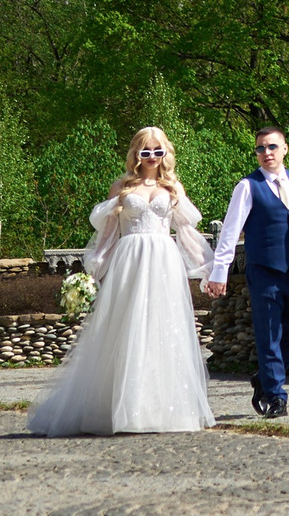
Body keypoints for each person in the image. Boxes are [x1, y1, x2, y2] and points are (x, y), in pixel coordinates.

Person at [27, 127, 215, 437]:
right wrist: (94, 270)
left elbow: (186, 234)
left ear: (166, 153)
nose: (152, 157)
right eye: (145, 151)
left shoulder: (173, 187)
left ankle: (158, 409)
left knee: (161, 329)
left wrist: (209, 269)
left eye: (158, 151)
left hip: (163, 261)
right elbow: (107, 234)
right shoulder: (122, 187)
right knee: (125, 328)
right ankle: (116, 407)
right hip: (130, 258)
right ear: (136, 155)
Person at [201, 127, 289, 419]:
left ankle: (264, 377)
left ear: (285, 149)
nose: (266, 153)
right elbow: (229, 231)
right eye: (261, 149)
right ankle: (276, 396)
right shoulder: (247, 186)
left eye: (272, 147)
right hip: (263, 270)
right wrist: (220, 271)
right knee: (268, 334)